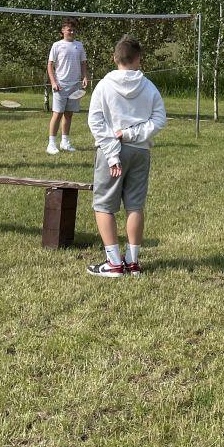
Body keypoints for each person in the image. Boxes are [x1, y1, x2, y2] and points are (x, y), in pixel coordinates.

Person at [85, 35, 167, 277]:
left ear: (115, 58)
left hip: (112, 151)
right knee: (135, 205)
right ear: (138, 59)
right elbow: (159, 119)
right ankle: (132, 262)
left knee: (103, 205)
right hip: (140, 151)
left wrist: (112, 151)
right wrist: (133, 134)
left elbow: (96, 122)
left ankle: (114, 263)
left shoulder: (104, 86)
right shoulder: (149, 86)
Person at [46, 18, 89, 155]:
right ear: (63, 31)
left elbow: (83, 63)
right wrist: (53, 82)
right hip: (60, 86)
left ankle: (65, 142)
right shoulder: (57, 45)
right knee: (57, 114)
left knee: (69, 114)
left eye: (73, 30)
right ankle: (51, 144)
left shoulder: (79, 45)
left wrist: (84, 77)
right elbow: (50, 65)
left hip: (75, 86)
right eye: (69, 29)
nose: (72, 32)